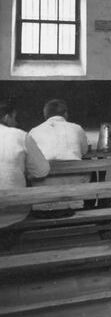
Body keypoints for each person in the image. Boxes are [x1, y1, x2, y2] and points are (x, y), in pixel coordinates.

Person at [0, 101, 50, 249]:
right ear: (7, 117)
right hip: (12, 213)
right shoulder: (20, 135)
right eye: (14, 118)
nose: (15, 122)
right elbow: (42, 171)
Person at [28, 99, 89, 213]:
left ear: (45, 115)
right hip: (74, 182)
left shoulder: (34, 131)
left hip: (44, 183)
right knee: (91, 171)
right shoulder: (76, 128)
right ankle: (90, 210)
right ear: (65, 114)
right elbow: (84, 151)